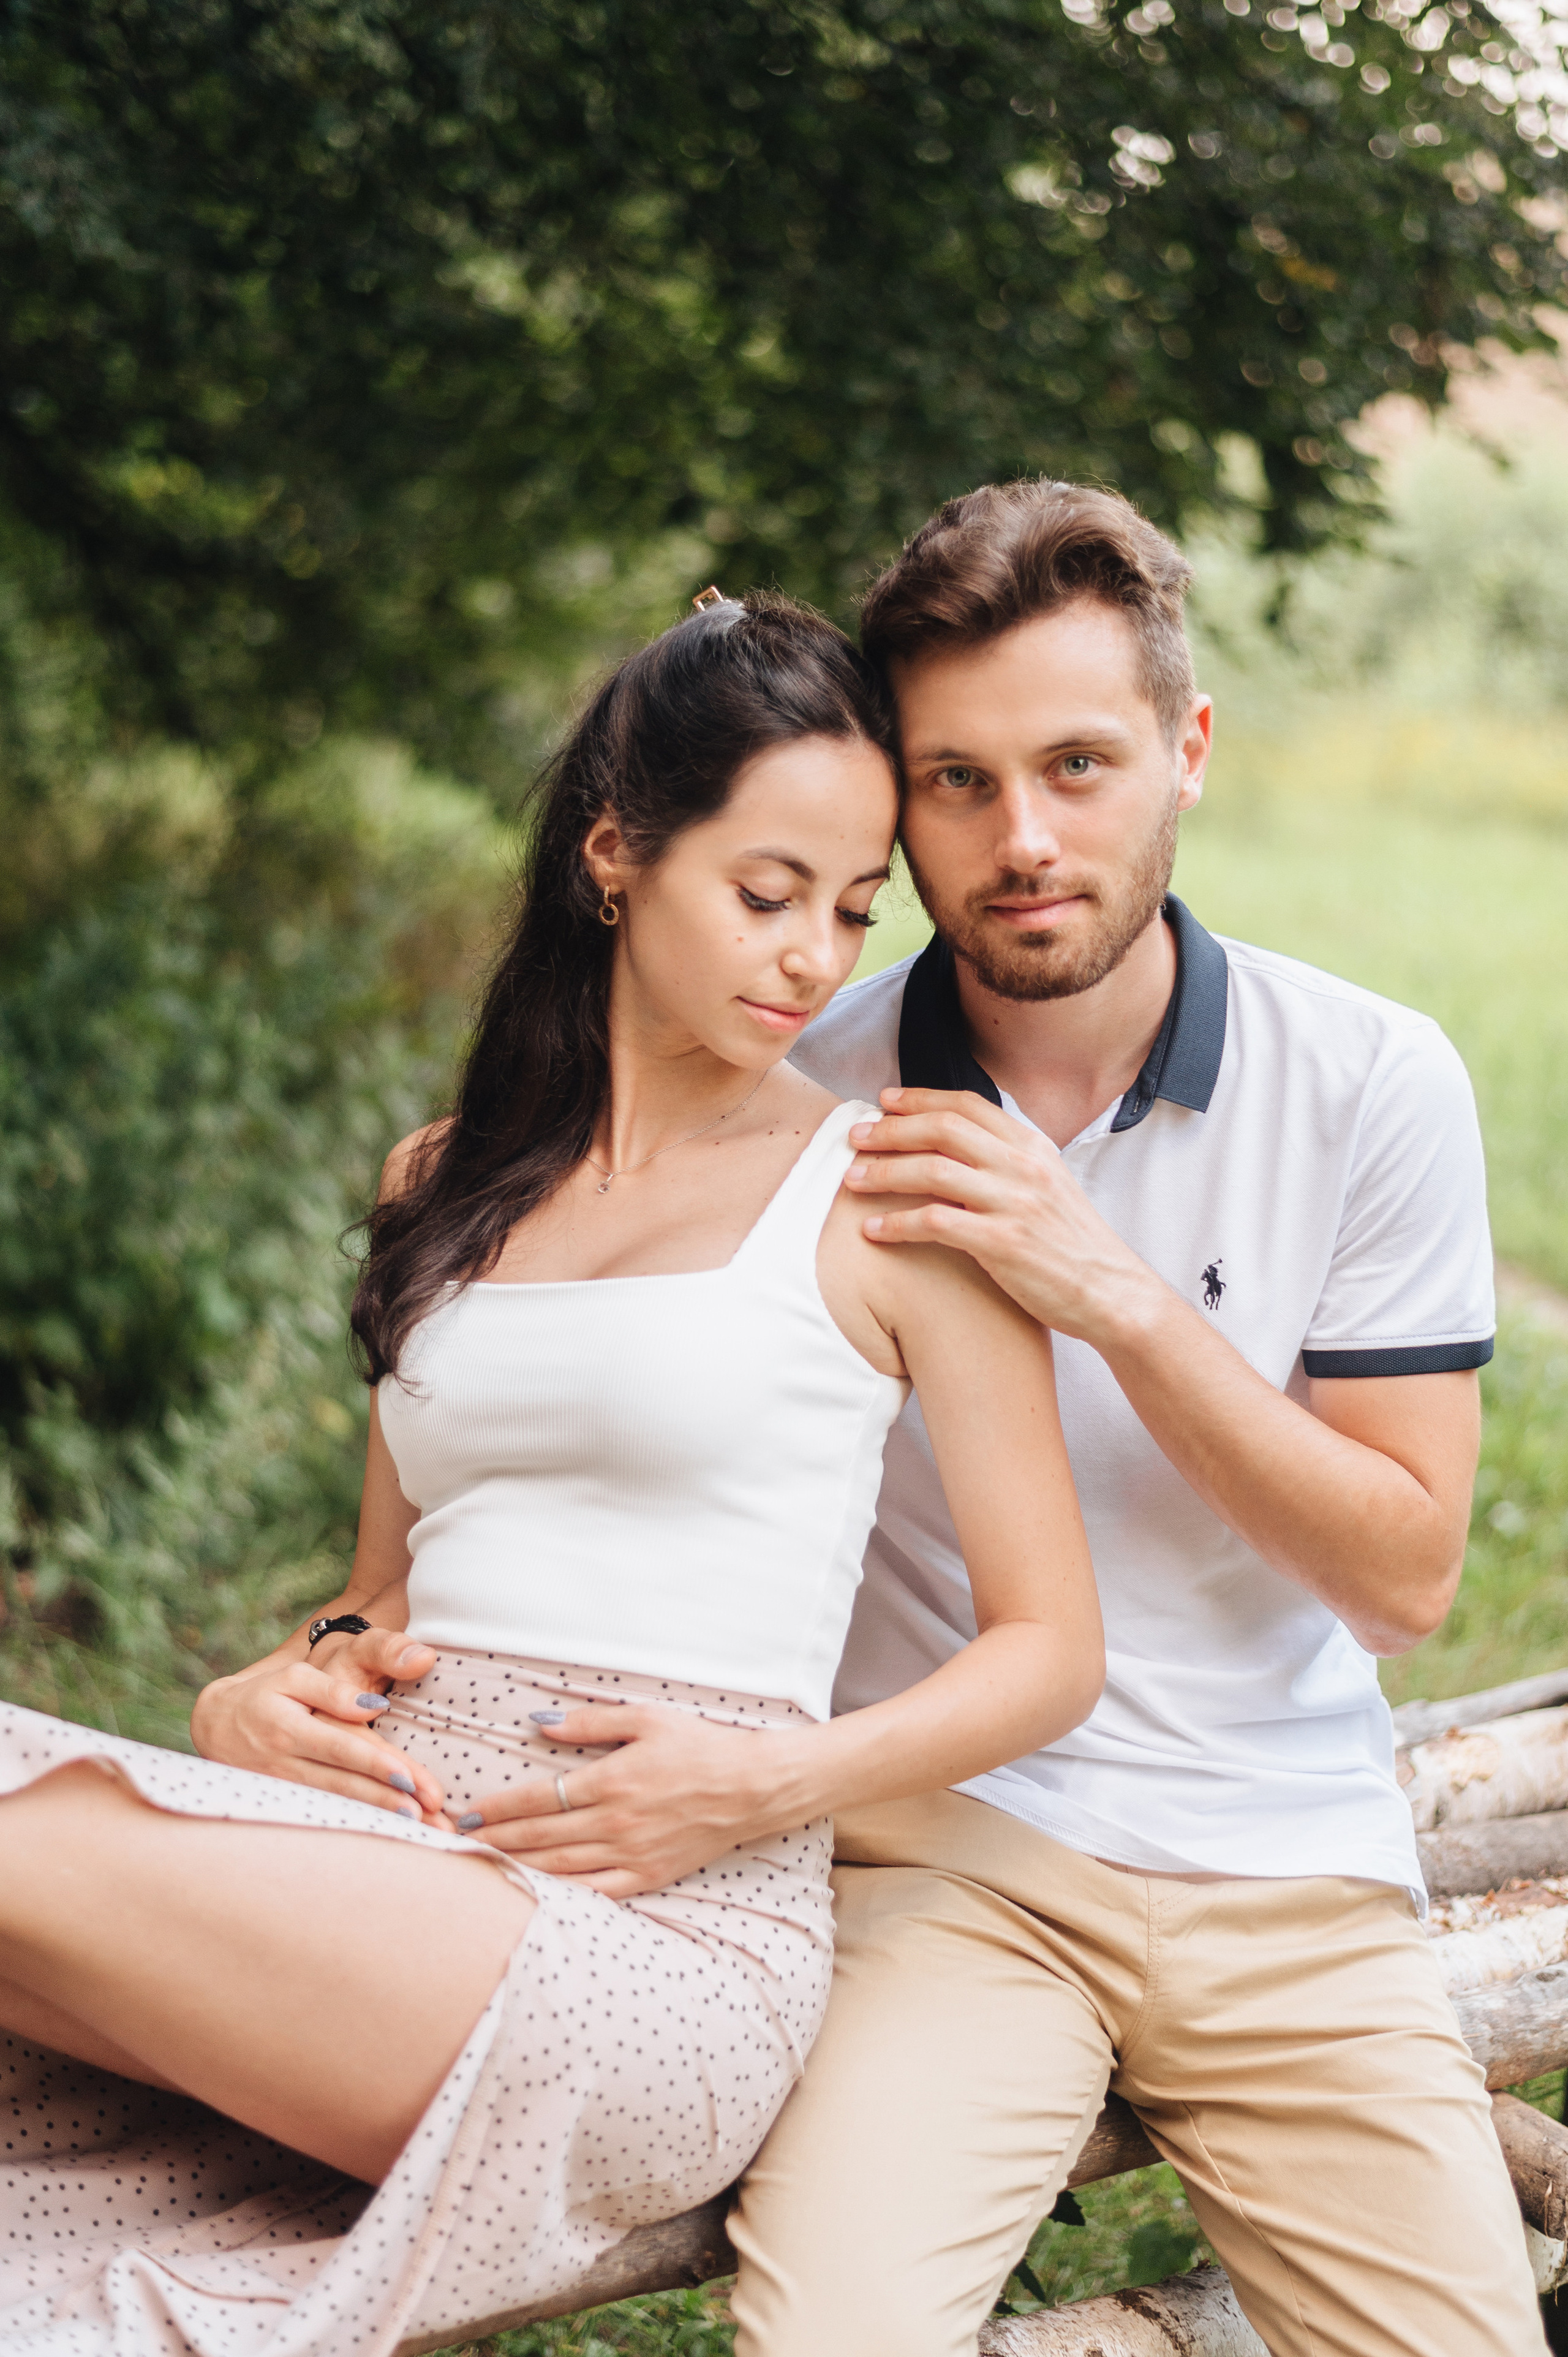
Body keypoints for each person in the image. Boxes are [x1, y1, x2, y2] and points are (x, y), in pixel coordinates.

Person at [0, 595, 1104, 2357]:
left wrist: (760, 1786)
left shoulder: (893, 1192)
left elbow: (1052, 1646)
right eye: (766, 892)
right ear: (615, 853)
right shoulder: (440, 1177)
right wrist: (264, 1696)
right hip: (386, 1849)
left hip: (655, 1948)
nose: (815, 958)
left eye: (849, 907)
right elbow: (383, 1596)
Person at [725, 483, 1548, 2356]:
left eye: (1080, 764)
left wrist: (1102, 1286)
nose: (1024, 839)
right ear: (896, 803)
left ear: (1185, 754)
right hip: (951, 1861)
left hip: (1290, 1871)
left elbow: (1404, 1578)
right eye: (958, 781)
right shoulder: (806, 1099)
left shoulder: (1370, 1080)